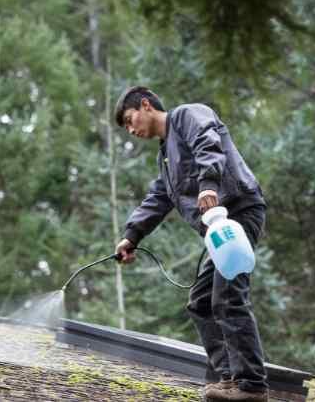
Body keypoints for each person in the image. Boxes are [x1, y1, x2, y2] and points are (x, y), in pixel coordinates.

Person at [114, 86, 270, 402]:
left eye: (131, 121)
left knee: (227, 296)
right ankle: (230, 379)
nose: (132, 131)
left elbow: (208, 143)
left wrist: (208, 185)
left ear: (146, 105)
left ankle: (252, 386)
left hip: (238, 212)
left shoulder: (187, 116)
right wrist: (132, 236)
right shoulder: (166, 158)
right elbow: (158, 198)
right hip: (220, 231)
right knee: (201, 300)